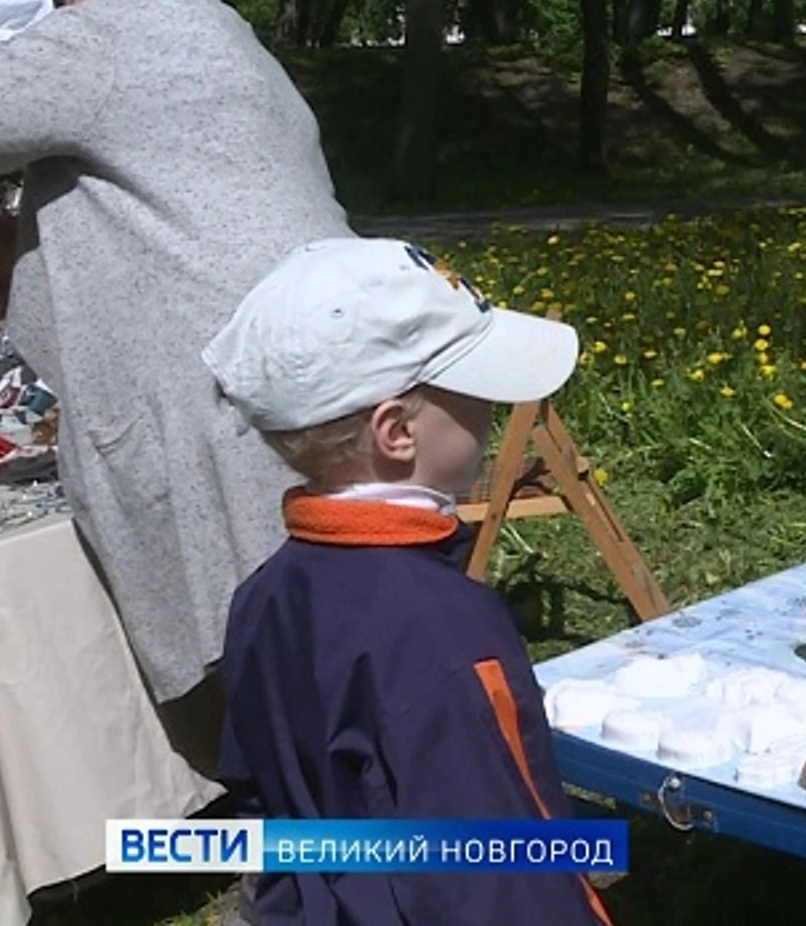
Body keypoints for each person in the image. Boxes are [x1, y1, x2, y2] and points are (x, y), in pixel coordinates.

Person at [0, 0, 354, 772]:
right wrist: (19, 263)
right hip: (325, 366)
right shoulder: (242, 50)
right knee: (336, 634)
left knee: (268, 654)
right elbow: (166, 215)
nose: (58, 27)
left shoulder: (108, 33)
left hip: (215, 388)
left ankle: (326, 863)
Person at [203, 237, 612, 926]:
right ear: (396, 432)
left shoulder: (262, 596)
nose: (492, 407)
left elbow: (260, 798)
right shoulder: (447, 629)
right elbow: (499, 871)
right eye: (473, 387)